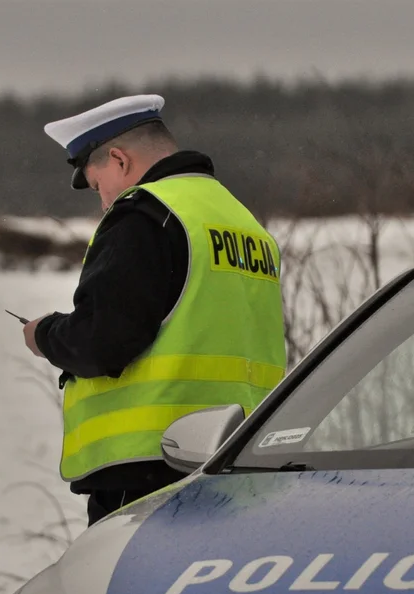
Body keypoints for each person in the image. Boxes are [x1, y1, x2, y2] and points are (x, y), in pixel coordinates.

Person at [21, 94, 287, 525]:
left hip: (152, 468)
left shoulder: (145, 216)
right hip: (240, 462)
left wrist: (45, 335)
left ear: (119, 160)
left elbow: (103, 340)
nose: (103, 201)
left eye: (97, 184)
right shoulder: (240, 221)